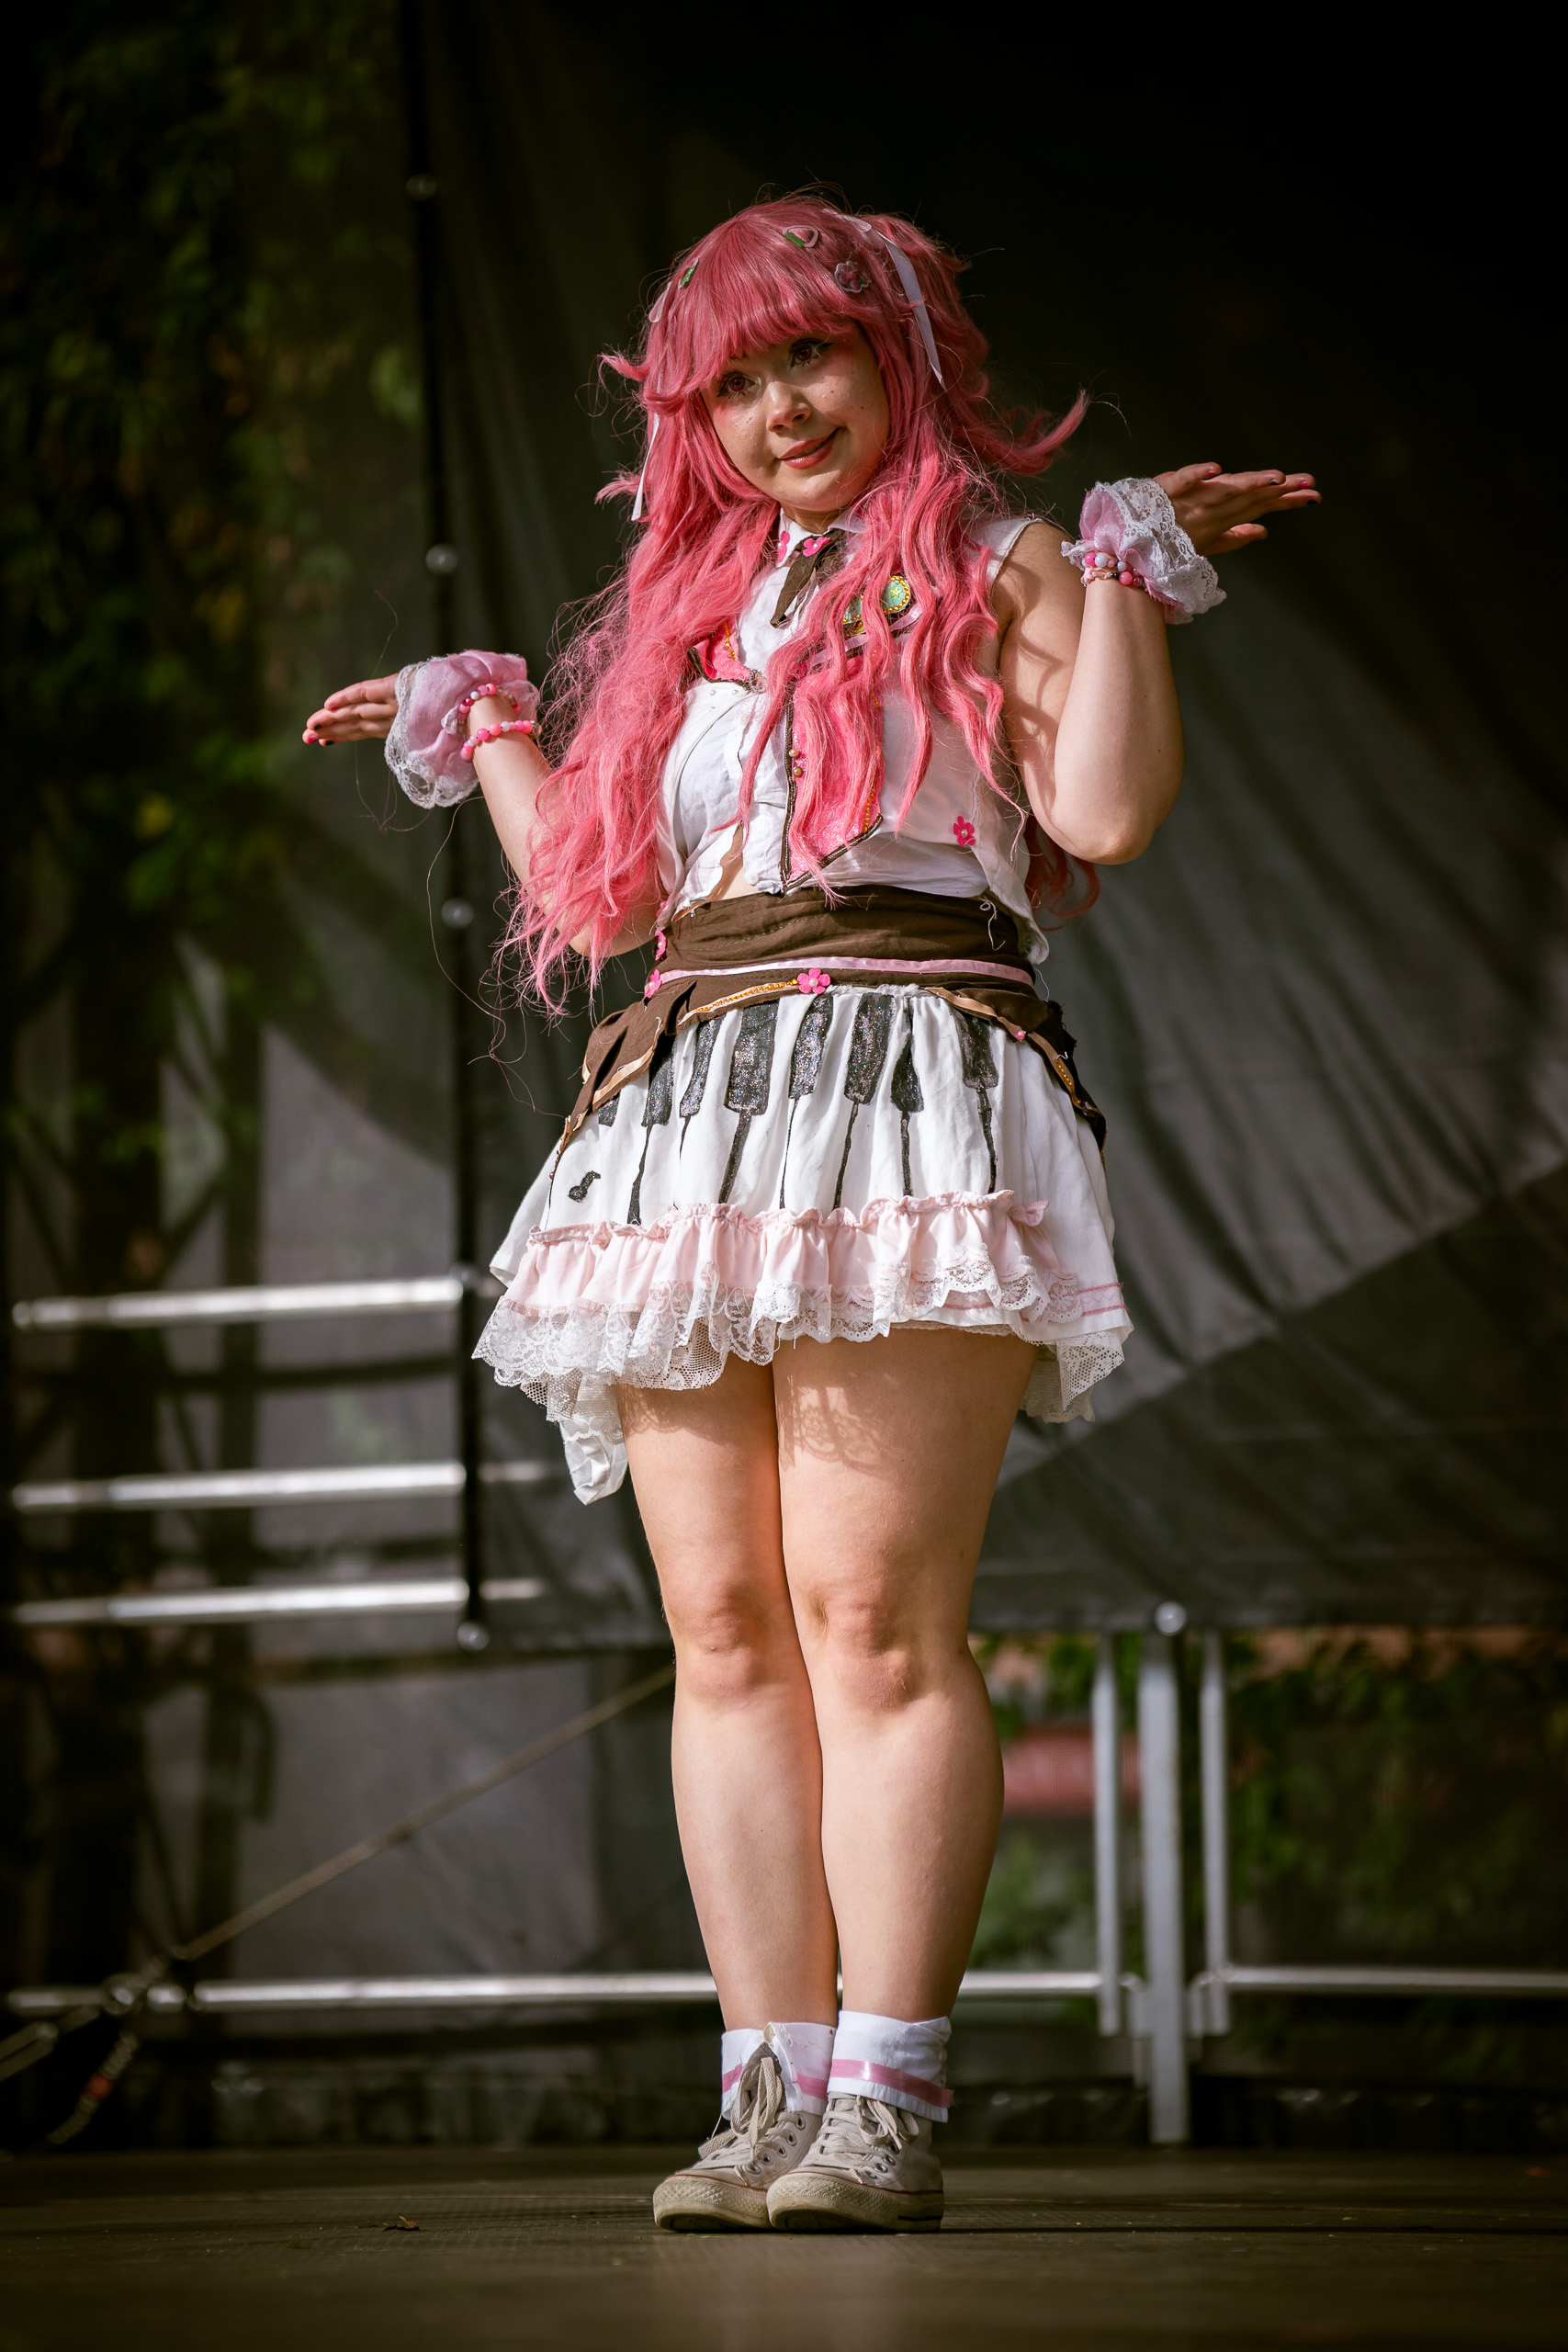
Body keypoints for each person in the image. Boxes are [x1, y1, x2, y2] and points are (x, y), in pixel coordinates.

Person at [304, 197, 1317, 2233]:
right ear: (688, 419)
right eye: (735, 382)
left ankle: (887, 2098)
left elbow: (1104, 812)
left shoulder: (996, 561)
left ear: (897, 360)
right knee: (723, 1628)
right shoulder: (686, 614)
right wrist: (491, 723)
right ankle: (764, 2090)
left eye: (813, 357)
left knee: (869, 1614)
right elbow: (604, 902)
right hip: (689, 1112)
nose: (780, 408)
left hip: (905, 1088)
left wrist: (1126, 573)